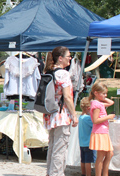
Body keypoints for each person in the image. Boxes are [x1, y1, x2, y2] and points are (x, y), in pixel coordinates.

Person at [43, 46, 78, 176]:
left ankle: (50, 172)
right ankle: (56, 174)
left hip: (50, 113)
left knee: (52, 147)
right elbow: (67, 96)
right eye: (68, 56)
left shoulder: (49, 71)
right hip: (61, 114)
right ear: (60, 58)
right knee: (60, 148)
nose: (70, 58)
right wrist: (74, 115)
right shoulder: (63, 73)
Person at [88, 82, 115, 176]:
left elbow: (111, 102)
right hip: (100, 132)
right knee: (101, 156)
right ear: (96, 93)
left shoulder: (99, 103)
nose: (105, 95)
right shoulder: (96, 105)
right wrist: (109, 117)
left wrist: (102, 97)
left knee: (109, 154)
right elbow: (95, 120)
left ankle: (105, 173)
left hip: (103, 132)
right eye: (103, 93)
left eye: (106, 93)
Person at [78, 97, 95, 176]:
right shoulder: (88, 118)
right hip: (88, 143)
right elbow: (94, 124)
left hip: (82, 143)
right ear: (89, 108)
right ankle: (88, 174)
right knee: (88, 161)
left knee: (83, 160)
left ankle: (83, 173)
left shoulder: (80, 117)